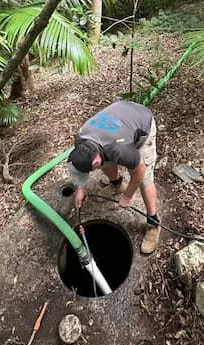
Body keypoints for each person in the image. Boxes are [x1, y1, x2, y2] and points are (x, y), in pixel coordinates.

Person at [67, 100, 160, 255]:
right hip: (120, 117)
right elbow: (78, 167)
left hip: (142, 123)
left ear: (95, 161)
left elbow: (140, 171)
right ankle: (116, 184)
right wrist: (80, 188)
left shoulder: (119, 148)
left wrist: (128, 196)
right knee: (106, 162)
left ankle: (153, 224)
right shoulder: (81, 138)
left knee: (145, 181)